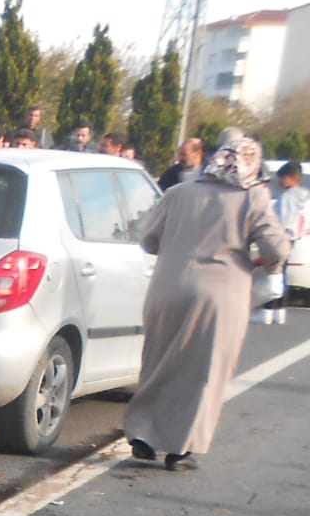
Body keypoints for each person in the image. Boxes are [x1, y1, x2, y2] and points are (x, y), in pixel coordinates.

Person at [123, 130, 290, 471]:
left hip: (167, 290)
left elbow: (149, 241)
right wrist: (259, 261)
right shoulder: (252, 199)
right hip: (219, 297)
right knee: (203, 371)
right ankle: (180, 448)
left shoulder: (179, 193)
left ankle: (142, 433)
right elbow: (277, 249)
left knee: (158, 361)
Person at [263, 161, 305, 324]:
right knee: (282, 273)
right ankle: (278, 308)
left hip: (282, 238)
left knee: (274, 273)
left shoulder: (289, 197)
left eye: (281, 178)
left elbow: (282, 221)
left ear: (290, 178)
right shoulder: (301, 195)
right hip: (291, 238)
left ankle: (271, 308)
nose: (279, 182)